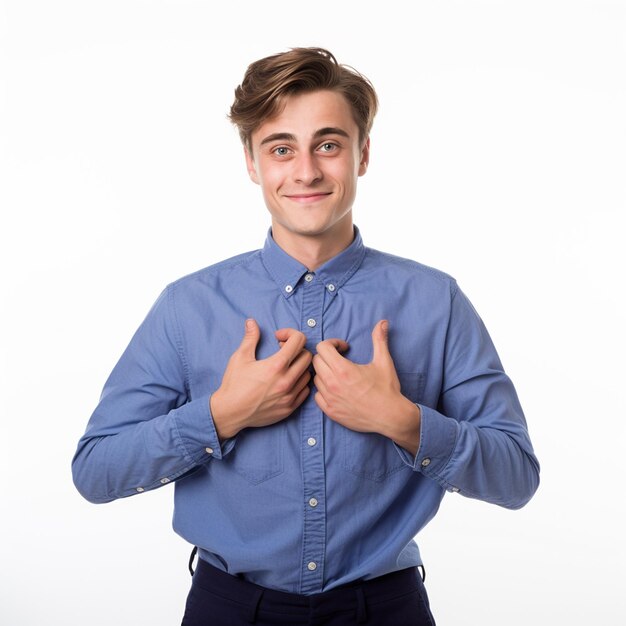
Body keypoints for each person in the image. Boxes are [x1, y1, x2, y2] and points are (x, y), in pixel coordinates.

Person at [72, 47, 540, 626]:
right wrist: (220, 415)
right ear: (251, 162)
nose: (307, 171)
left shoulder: (435, 302)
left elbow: (517, 476)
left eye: (327, 144)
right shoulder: (187, 306)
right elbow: (95, 471)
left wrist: (401, 420)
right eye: (281, 149)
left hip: (385, 610)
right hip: (229, 609)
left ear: (361, 153)